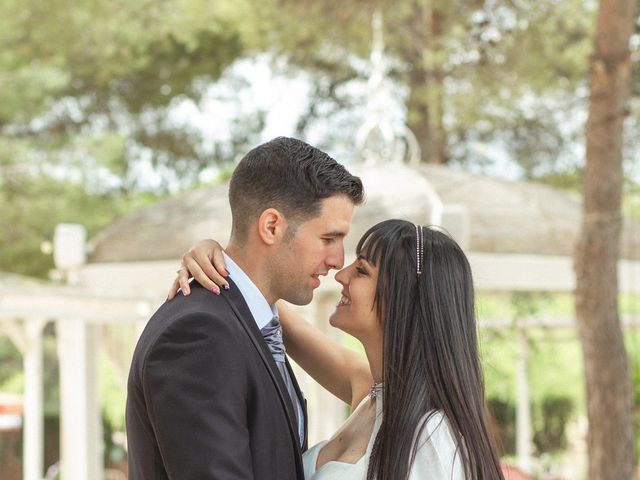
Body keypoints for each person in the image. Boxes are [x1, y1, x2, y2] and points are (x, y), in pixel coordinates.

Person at [170, 219, 504, 480]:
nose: (340, 274)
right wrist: (217, 258)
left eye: (362, 271)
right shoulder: (373, 392)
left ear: (403, 301)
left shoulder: (433, 435)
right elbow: (266, 307)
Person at [126, 136, 364, 480]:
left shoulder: (245, 322)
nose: (337, 261)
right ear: (271, 226)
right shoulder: (199, 334)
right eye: (329, 239)